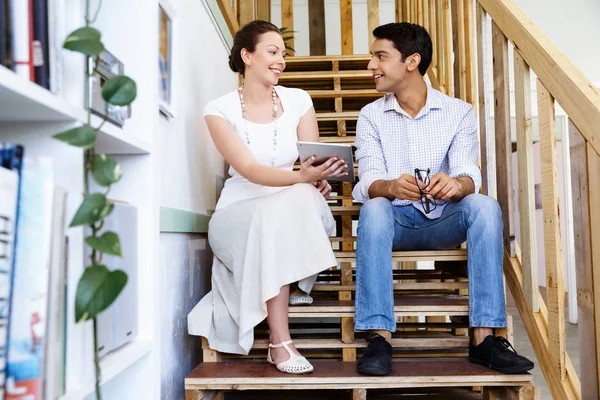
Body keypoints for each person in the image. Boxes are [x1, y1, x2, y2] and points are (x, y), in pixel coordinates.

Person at [352, 22, 534, 376]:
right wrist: (389, 187)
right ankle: (379, 339)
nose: (371, 66)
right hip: (396, 222)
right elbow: (369, 178)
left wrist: (458, 184)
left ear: (411, 61)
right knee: (374, 207)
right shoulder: (370, 115)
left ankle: (484, 339)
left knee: (483, 205)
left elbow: (469, 172)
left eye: (380, 56)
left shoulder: (458, 112)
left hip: (444, 221)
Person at [187, 20, 348, 375]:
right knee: (279, 212)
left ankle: (280, 340)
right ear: (247, 55)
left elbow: (311, 159)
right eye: (273, 52)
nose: (281, 61)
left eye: (283, 54)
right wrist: (301, 178)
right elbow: (247, 168)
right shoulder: (219, 109)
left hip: (291, 206)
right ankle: (280, 340)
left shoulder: (298, 100)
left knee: (300, 197)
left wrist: (318, 179)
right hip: (238, 214)